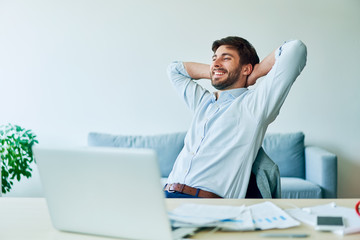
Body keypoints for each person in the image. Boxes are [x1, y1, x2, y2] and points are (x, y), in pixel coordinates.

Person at [164, 37, 307, 198]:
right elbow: (174, 70)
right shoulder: (203, 103)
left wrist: (254, 73)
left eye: (226, 58)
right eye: (214, 59)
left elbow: (295, 49)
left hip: (205, 203)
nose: (216, 63)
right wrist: (216, 71)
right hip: (166, 195)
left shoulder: (253, 106)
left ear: (246, 68)